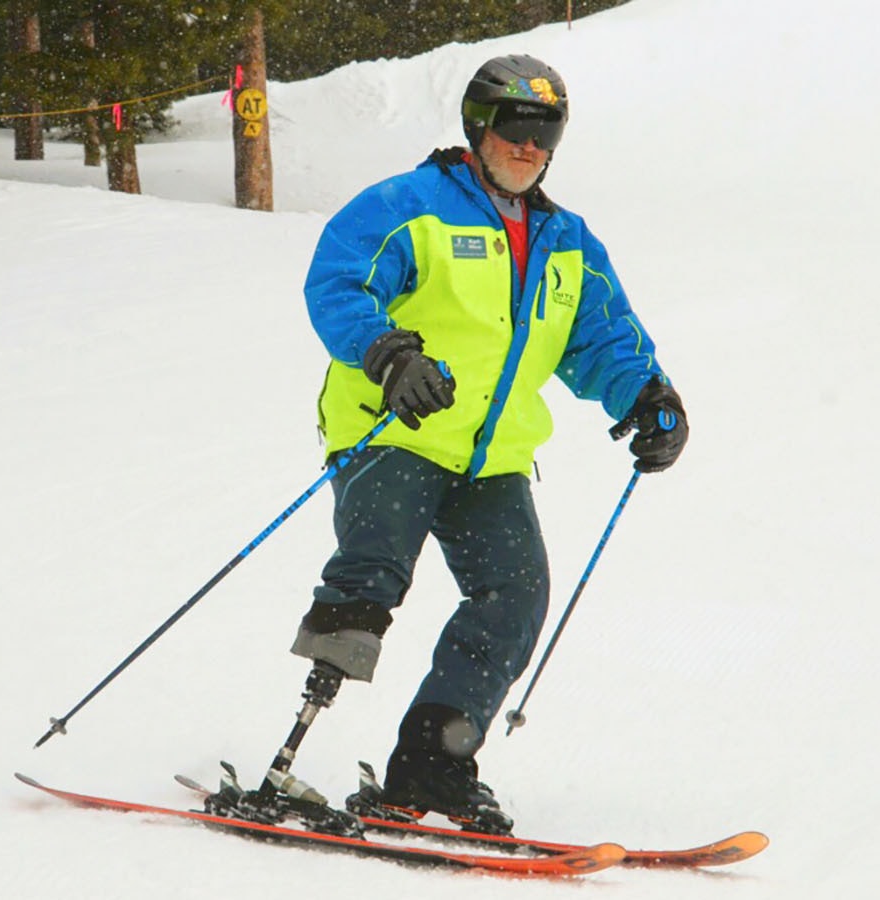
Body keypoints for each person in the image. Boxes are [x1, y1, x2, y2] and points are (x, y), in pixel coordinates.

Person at [290, 54, 688, 835]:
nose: (530, 148)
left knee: (515, 592)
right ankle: (289, 754)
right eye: (516, 129)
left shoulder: (566, 241)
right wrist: (389, 355)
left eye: (546, 134)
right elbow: (338, 283)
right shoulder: (409, 206)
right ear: (480, 127)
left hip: (491, 454)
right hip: (393, 427)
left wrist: (647, 395)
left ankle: (432, 762)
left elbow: (601, 337)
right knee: (375, 572)